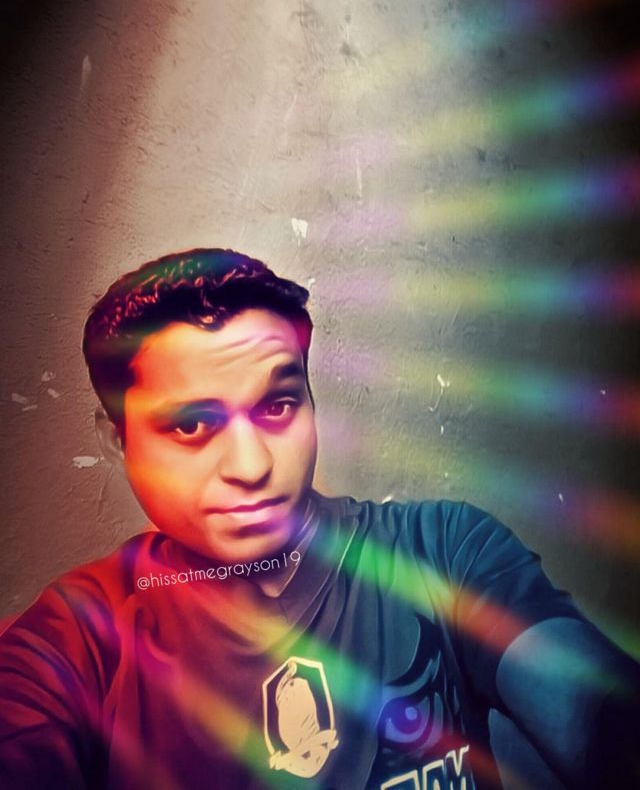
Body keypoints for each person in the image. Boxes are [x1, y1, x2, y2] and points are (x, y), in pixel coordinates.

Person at [0, 247, 638, 790]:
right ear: (117, 440)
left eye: (277, 406)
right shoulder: (80, 637)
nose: (251, 465)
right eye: (192, 426)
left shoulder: (441, 550)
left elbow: (595, 715)